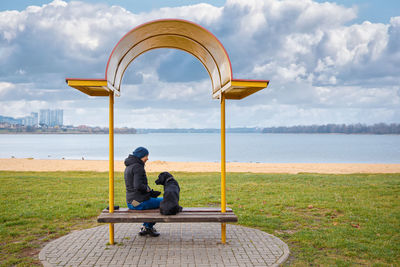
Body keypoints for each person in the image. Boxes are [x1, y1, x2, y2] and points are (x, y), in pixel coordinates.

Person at [124, 146, 162, 237]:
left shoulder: (129, 167)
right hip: (139, 202)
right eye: (146, 156)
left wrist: (150, 192)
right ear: (141, 156)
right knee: (165, 201)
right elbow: (138, 186)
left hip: (131, 202)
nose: (147, 158)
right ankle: (148, 227)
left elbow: (134, 186)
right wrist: (148, 190)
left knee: (153, 203)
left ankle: (145, 227)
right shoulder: (138, 167)